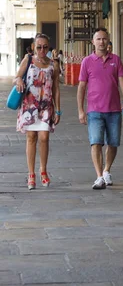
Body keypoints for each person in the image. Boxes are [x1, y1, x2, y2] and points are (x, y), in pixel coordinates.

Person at [77, 28, 123, 190]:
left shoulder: (116, 60)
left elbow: (122, 81)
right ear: (93, 42)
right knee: (96, 143)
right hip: (94, 110)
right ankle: (99, 176)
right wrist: (81, 110)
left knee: (113, 143)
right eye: (98, 39)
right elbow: (81, 86)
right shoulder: (87, 61)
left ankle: (107, 170)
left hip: (114, 109)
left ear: (108, 41)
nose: (101, 42)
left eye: (104, 39)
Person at [14, 33, 61, 190]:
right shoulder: (28, 60)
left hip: (46, 106)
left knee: (44, 136)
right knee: (31, 137)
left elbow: (56, 88)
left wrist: (58, 110)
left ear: (49, 47)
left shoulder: (53, 64)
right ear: (34, 46)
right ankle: (31, 174)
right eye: (39, 46)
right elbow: (17, 77)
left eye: (45, 47)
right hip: (29, 105)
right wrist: (19, 80)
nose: (42, 49)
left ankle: (43, 170)